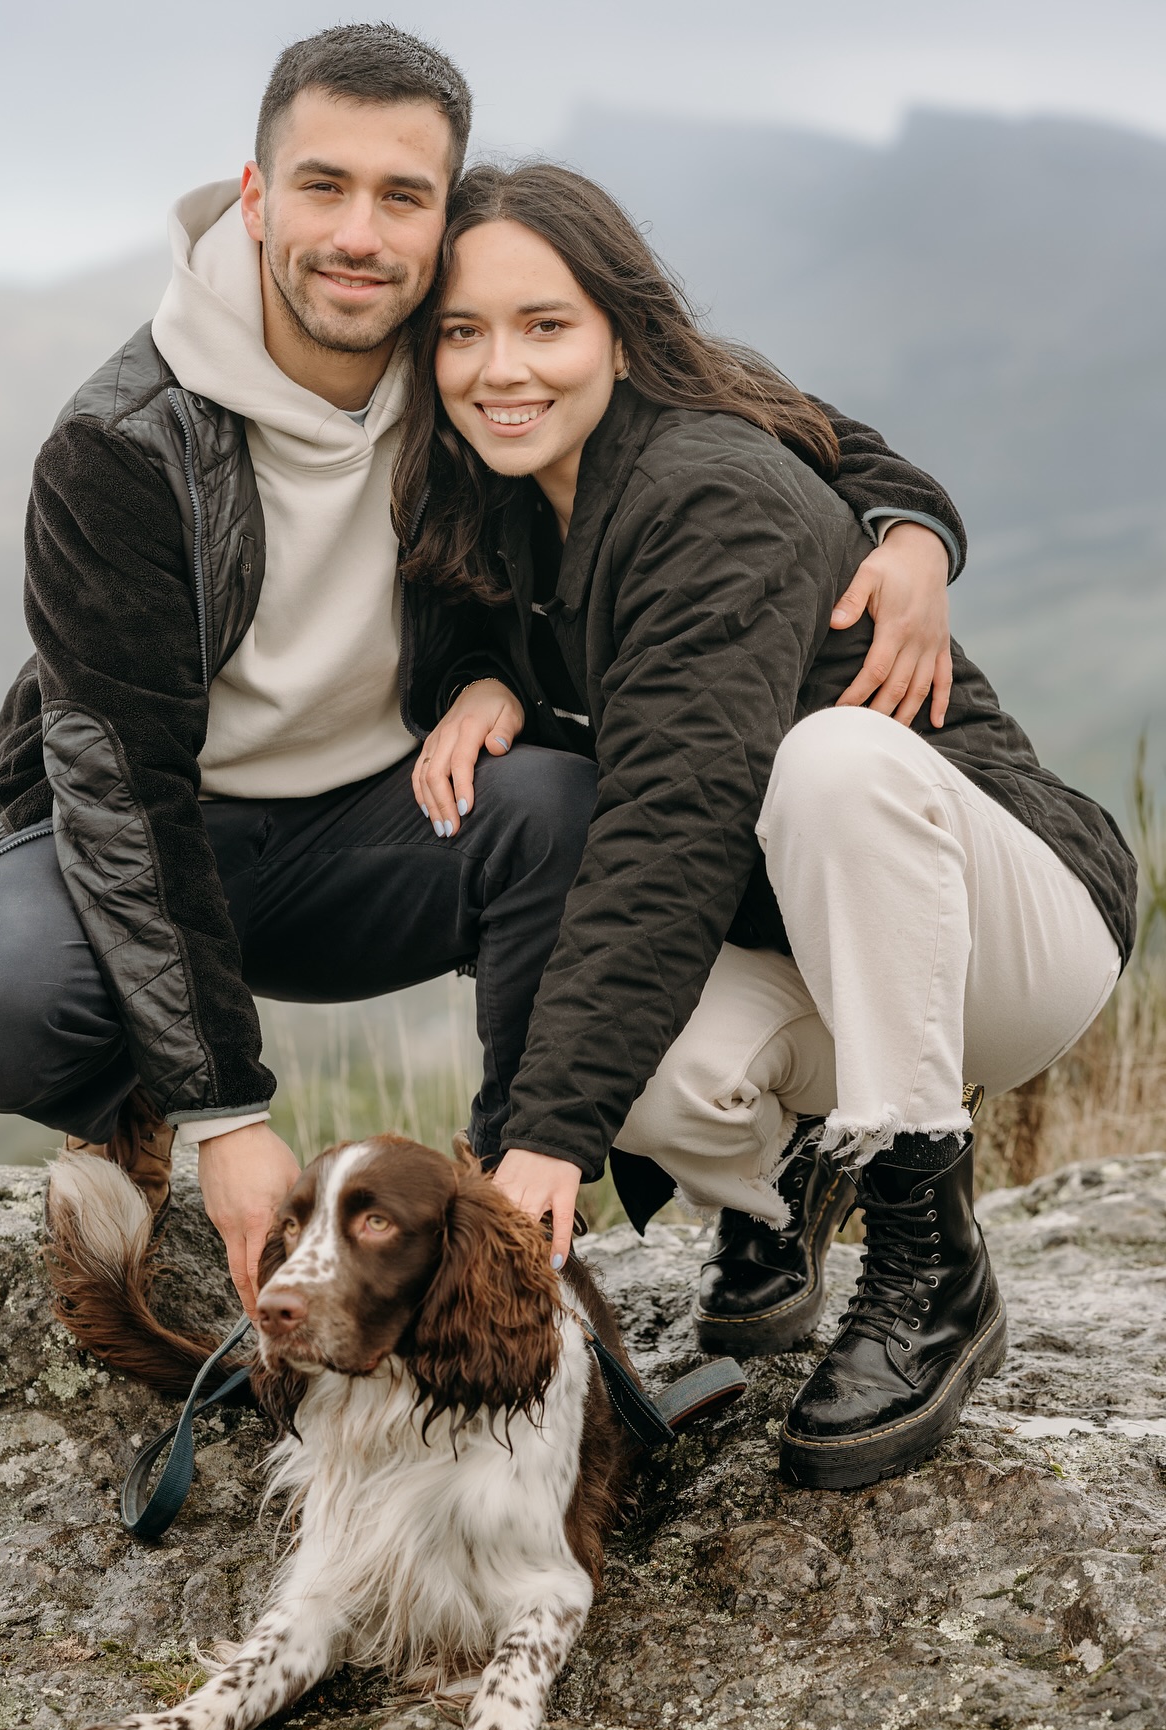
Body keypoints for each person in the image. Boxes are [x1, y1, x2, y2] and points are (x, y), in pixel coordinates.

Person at [0, 24, 968, 1321]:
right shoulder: (123, 443)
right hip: (160, 831)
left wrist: (911, 532)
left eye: (402, 195)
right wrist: (228, 1111)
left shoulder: (464, 346)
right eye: (324, 187)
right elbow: (124, 791)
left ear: (440, 215)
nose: (359, 233)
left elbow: (752, 416)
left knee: (564, 806)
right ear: (254, 197)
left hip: (380, 829)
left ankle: (502, 1225)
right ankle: (136, 1109)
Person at [400, 161, 1134, 1488]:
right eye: (462, 333)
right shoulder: (502, 503)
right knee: (639, 1052)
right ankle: (785, 1181)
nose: (499, 367)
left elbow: (675, 822)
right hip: (816, 952)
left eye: (544, 326)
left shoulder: (704, 493)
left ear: (620, 331)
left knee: (835, 765)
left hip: (1008, 927)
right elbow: (480, 644)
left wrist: (546, 1139)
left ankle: (929, 1262)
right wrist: (481, 679)